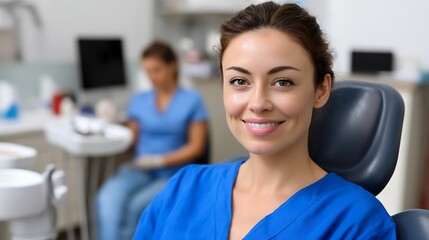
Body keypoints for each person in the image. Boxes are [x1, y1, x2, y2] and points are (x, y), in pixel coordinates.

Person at [133, 2, 396, 239]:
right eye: (239, 81)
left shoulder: (358, 223)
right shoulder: (184, 188)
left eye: (283, 82)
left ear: (321, 89)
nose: (258, 103)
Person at [95, 41, 209, 240]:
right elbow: (131, 139)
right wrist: (110, 122)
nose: (151, 77)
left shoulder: (192, 100)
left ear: (172, 65)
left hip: (174, 173)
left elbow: (197, 147)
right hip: (140, 169)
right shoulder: (139, 100)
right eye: (147, 71)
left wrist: (159, 160)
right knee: (106, 199)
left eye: (156, 70)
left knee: (137, 207)